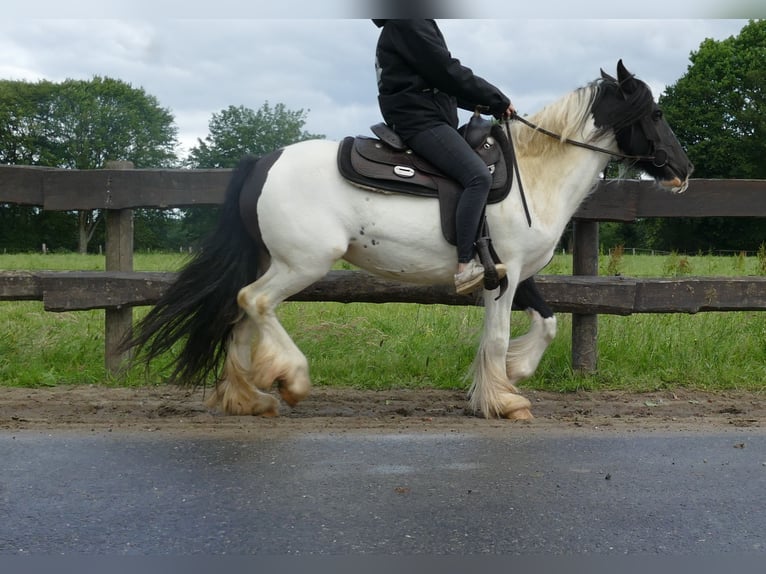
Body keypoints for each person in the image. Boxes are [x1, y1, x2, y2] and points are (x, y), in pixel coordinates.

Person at [372, 19, 516, 295]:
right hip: (420, 120)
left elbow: (439, 80)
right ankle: (464, 266)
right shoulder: (408, 20)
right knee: (477, 176)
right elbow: (446, 71)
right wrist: (497, 98)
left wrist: (487, 104)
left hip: (425, 115)